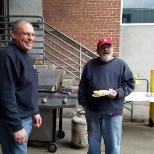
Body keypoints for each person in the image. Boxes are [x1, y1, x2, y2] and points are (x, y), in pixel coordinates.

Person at [78, 37, 135, 154]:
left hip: (113, 113)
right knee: (93, 143)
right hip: (93, 111)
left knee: (113, 145)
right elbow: (82, 86)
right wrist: (84, 103)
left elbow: (130, 84)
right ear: (97, 50)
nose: (106, 50)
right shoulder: (90, 65)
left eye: (108, 47)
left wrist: (118, 92)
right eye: (102, 47)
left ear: (113, 49)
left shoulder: (121, 65)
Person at [0, 19, 42, 154]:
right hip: (15, 121)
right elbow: (5, 94)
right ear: (13, 35)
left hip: (25, 118)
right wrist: (16, 126)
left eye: (33, 35)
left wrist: (34, 111)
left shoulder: (25, 56)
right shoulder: (8, 56)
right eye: (26, 34)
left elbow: (25, 88)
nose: (31, 38)